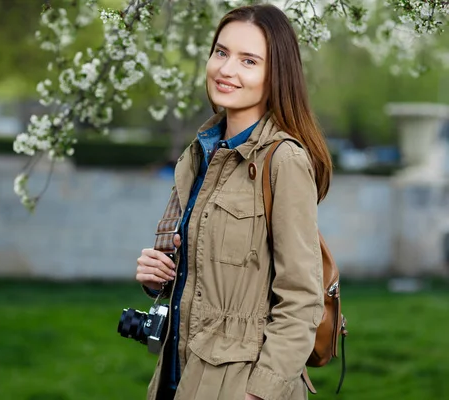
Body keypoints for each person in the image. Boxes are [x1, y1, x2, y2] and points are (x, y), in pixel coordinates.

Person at [135, 4, 332, 400]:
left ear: (275, 75)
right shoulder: (201, 153)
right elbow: (206, 274)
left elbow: (301, 298)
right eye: (221, 53)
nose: (226, 70)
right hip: (179, 374)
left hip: (243, 387)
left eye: (248, 60)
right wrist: (160, 274)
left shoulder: (285, 160)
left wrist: (261, 392)